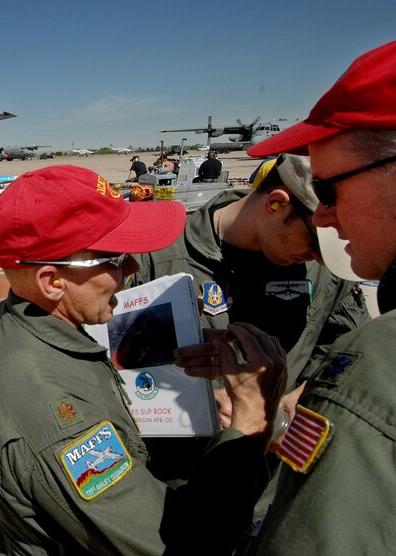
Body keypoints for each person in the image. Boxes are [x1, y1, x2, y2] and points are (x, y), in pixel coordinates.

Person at [0, 165, 285, 554]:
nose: (132, 267)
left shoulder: (19, 316)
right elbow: (183, 544)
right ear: (52, 282)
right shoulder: (60, 423)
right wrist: (252, 421)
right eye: (115, 258)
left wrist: (175, 357)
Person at [183, 40, 396, 554]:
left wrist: (300, 402)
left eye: (332, 191)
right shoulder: (165, 254)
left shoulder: (376, 363)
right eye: (318, 197)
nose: (326, 222)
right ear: (276, 204)